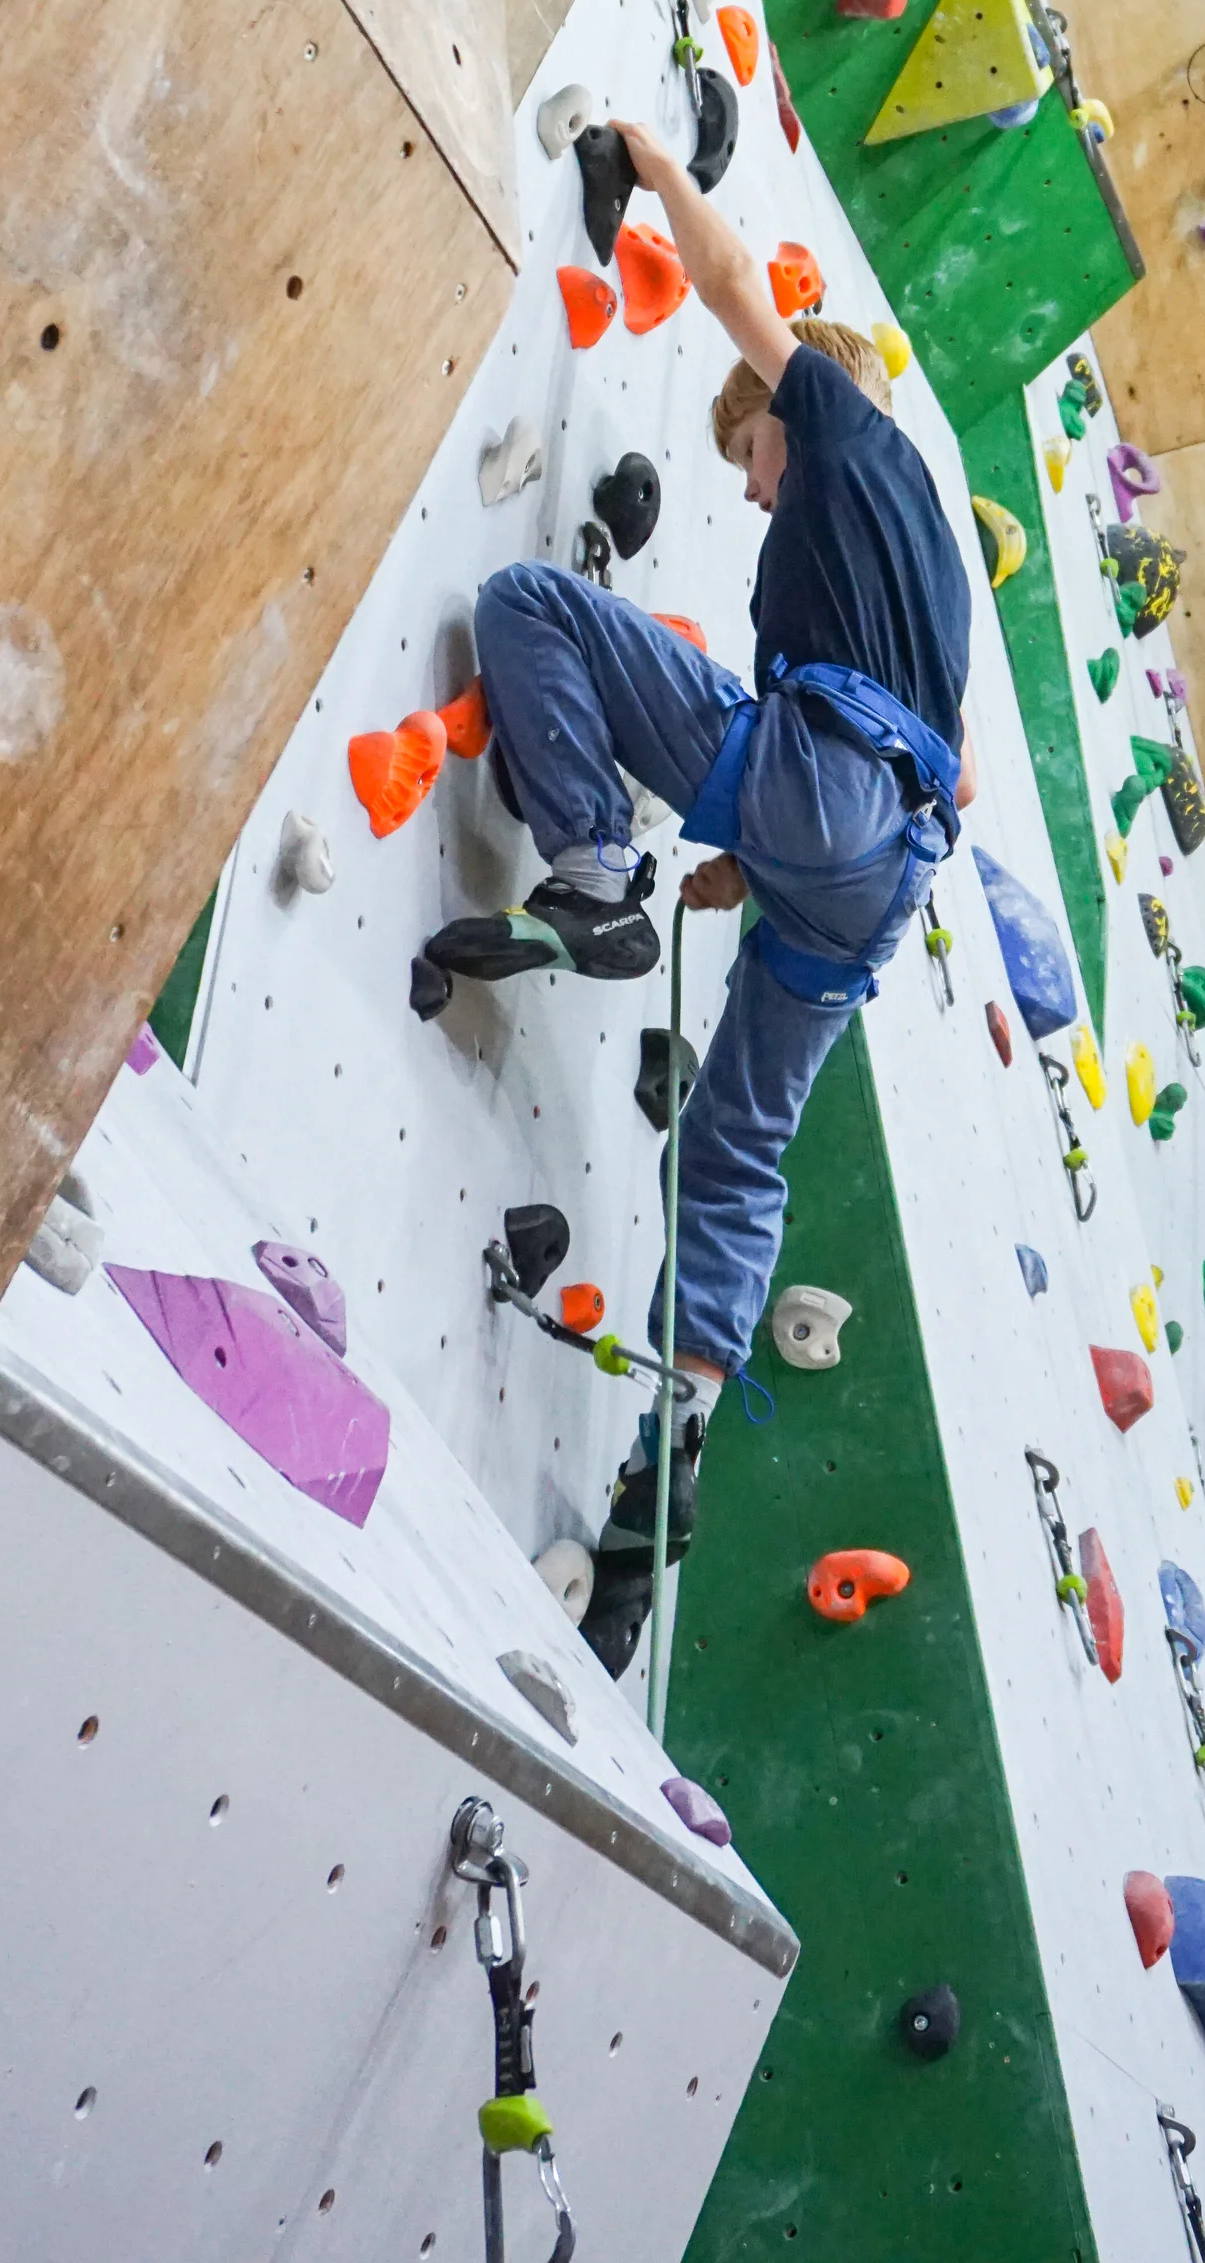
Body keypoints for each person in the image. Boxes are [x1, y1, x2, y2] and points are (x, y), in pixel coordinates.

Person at [426, 122, 975, 1673]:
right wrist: (759, 851)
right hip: (870, 883)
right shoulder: (928, 564)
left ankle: (594, 867)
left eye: (750, 457)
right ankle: (670, 1442)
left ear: (795, 415)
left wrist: (653, 160)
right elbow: (936, 782)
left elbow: (733, 279)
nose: (749, 489)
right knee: (736, 1144)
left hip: (832, 786)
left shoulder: (847, 429)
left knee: (534, 603)